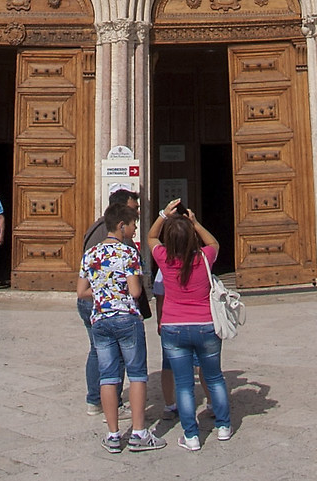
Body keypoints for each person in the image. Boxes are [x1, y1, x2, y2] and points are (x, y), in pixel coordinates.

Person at [77, 198, 163, 453]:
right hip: (126, 317)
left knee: (108, 376)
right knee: (136, 375)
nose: (135, 229)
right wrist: (119, 292)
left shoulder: (91, 254)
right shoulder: (128, 252)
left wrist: (103, 293)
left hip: (101, 318)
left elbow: (81, 291)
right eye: (134, 224)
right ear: (121, 225)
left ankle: (113, 435)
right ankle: (138, 433)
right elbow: (135, 291)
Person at [152, 200, 233, 448]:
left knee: (184, 385)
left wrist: (163, 215)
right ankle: (223, 427)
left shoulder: (164, 259)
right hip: (206, 325)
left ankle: (191, 436)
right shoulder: (205, 258)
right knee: (215, 377)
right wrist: (195, 223)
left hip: (174, 326)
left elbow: (151, 237)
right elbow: (214, 243)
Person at [78, 188, 141, 411]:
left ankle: (95, 400)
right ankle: (113, 404)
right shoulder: (123, 245)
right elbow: (134, 289)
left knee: (97, 351)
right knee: (118, 357)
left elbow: (82, 285)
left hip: (91, 303)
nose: (137, 215)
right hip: (109, 307)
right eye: (134, 210)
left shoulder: (94, 229)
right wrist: (108, 292)